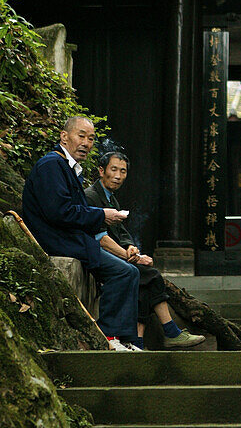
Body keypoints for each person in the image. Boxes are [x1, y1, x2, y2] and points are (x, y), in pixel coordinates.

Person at [22, 116, 140, 351]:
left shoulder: (68, 168)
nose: (86, 143)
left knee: (131, 271)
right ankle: (109, 337)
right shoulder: (51, 166)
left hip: (71, 239)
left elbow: (76, 211)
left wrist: (103, 218)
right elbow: (59, 212)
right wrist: (101, 215)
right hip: (57, 241)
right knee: (124, 272)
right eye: (81, 136)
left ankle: (122, 338)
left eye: (91, 138)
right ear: (64, 137)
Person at [84, 147, 204, 350]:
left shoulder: (111, 197)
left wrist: (132, 248)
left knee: (146, 278)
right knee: (150, 275)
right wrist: (131, 257)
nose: (118, 176)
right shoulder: (91, 196)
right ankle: (169, 332)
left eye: (123, 171)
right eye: (114, 170)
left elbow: (121, 233)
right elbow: (100, 238)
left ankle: (140, 340)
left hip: (116, 255)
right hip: (97, 256)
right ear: (101, 170)